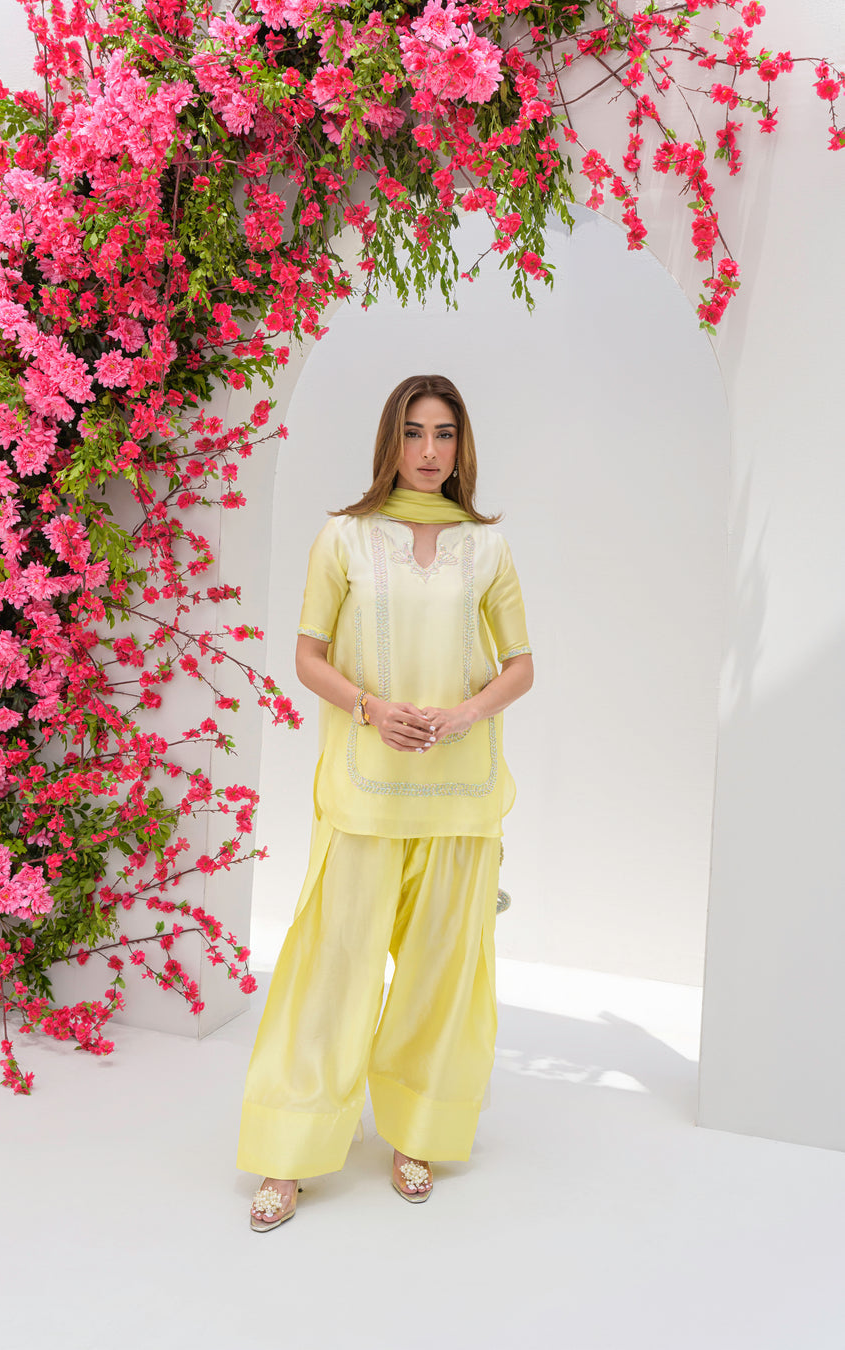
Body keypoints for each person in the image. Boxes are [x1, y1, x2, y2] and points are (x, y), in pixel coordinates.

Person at [236, 373, 534, 1231]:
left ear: (461, 445)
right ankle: (290, 1148)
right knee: (333, 966)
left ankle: (417, 1132)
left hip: (460, 792)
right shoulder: (345, 538)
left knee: (442, 970)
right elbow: (308, 656)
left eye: (444, 434)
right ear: (389, 441)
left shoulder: (487, 547)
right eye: (414, 432)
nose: (429, 451)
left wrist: (465, 714)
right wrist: (370, 708)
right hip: (367, 787)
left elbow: (520, 665)